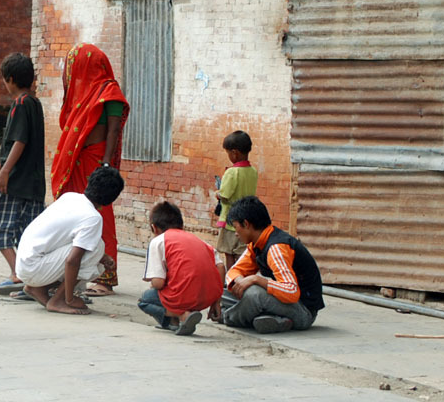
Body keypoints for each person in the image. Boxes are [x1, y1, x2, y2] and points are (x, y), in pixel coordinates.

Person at [50, 42, 129, 295]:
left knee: (101, 217)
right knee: (73, 215)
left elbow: (113, 130)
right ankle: (72, 273)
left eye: (75, 66)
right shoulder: (82, 95)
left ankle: (106, 279)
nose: (71, 73)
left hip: (95, 162)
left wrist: (105, 163)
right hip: (77, 161)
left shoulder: (109, 91)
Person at [14, 166, 123, 315]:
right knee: (97, 247)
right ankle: (59, 300)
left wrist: (102, 257)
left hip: (25, 265)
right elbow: (72, 260)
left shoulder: (70, 197)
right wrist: (70, 299)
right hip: (34, 267)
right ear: (111, 199)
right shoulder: (93, 217)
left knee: (95, 249)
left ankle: (38, 289)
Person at [0, 53, 46, 293]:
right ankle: (32, 277)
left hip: (15, 182)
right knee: (28, 232)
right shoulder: (35, 103)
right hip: (33, 183)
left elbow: (19, 141)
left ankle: (17, 272)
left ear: (9, 79)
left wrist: (5, 171)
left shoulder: (20, 104)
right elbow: (24, 144)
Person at [223, 196, 325, 333]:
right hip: (279, 303)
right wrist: (241, 282)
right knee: (220, 293)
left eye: (236, 228)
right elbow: (234, 271)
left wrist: (256, 279)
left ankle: (227, 316)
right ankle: (273, 319)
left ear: (246, 224)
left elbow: (291, 291)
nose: (236, 234)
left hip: (303, 311)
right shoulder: (256, 244)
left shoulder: (276, 248)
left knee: (254, 294)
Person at [138, 201, 223, 336]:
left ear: (154, 228)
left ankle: (181, 315)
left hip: (183, 296)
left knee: (145, 300)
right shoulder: (199, 240)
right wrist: (216, 301)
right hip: (207, 297)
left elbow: (158, 283)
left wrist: (153, 285)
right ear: (181, 225)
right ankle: (175, 323)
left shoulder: (159, 241)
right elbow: (220, 266)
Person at [214, 130, 258, 284]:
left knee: (229, 253)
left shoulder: (232, 172)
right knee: (242, 254)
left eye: (228, 153)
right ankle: (241, 278)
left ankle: (230, 279)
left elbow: (225, 195)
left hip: (230, 220)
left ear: (235, 153)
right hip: (246, 219)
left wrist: (217, 193)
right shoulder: (253, 171)